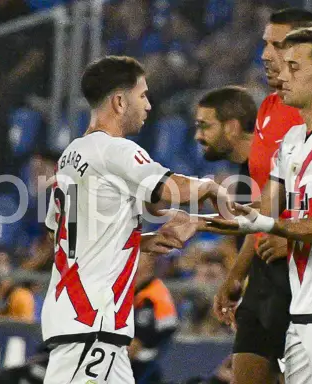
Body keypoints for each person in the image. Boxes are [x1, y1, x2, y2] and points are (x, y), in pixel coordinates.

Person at [204, 26, 312, 383]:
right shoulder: (292, 139)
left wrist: (263, 225)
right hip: (302, 308)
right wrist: (214, 221)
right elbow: (264, 210)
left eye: (294, 67)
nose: (281, 76)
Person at [41, 55, 231, 383]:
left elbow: (61, 236)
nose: (148, 106)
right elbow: (168, 190)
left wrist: (137, 241)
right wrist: (210, 186)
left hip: (92, 323)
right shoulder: (115, 150)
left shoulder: (71, 155)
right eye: (142, 95)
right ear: (119, 101)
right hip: (91, 321)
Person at [208, 8, 312, 384]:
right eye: (264, 44)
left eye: (277, 45)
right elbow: (266, 209)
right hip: (264, 273)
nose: (265, 55)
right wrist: (237, 274)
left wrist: (292, 238)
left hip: (304, 276)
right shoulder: (269, 109)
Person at [129, 253, 178, 383]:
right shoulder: (146, 289)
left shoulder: (150, 297)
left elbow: (135, 345)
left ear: (149, 263)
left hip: (143, 367)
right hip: (148, 363)